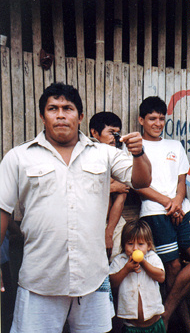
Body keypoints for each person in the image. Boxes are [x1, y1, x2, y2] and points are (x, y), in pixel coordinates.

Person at [0, 82, 151, 333]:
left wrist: (139, 154)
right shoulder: (18, 157)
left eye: (68, 108)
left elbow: (142, 180)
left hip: (93, 280)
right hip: (40, 280)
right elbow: (2, 212)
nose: (60, 115)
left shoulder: (104, 154)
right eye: (53, 108)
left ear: (80, 116)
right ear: (42, 115)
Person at [136, 96, 190, 331]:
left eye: (161, 118)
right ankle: (178, 322)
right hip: (154, 212)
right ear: (141, 120)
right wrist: (169, 203)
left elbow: (181, 181)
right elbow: (138, 185)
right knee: (174, 267)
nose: (157, 123)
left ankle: (165, 314)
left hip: (183, 209)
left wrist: (178, 202)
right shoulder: (137, 147)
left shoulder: (175, 146)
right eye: (152, 119)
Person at [109, 219, 166, 333]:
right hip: (132, 327)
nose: (135, 248)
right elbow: (112, 283)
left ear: (148, 246)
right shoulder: (120, 261)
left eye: (140, 244)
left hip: (155, 323)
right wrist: (126, 270)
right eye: (130, 244)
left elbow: (161, 277)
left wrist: (144, 263)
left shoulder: (152, 258)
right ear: (123, 244)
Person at [89, 111, 130, 262]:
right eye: (111, 132)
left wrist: (109, 232)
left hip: (113, 222)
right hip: (89, 219)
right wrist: (111, 187)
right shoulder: (87, 153)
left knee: (114, 259)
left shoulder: (120, 155)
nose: (116, 138)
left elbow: (123, 192)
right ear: (95, 133)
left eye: (118, 133)